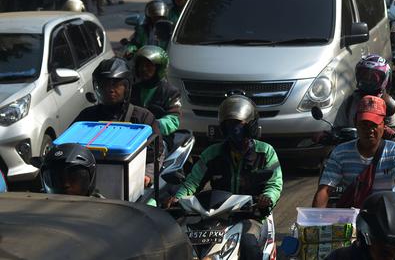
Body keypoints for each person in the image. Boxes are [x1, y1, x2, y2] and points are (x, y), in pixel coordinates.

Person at [165, 94, 283, 260]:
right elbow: (192, 182)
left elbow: (274, 184)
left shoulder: (266, 152)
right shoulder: (212, 153)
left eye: (238, 124)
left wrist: (267, 198)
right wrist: (178, 198)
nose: (234, 128)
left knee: (249, 245)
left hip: (251, 215)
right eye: (229, 124)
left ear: (250, 126)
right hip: (215, 215)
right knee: (180, 242)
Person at [72, 58, 163, 187]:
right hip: (90, 182)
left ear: (127, 87)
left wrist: (147, 175)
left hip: (131, 185)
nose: (110, 89)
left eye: (115, 85)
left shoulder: (143, 117)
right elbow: (68, 146)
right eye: (104, 84)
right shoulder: (87, 116)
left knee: (151, 205)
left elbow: (156, 154)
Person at [312, 95, 395, 208]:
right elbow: (324, 190)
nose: (369, 130)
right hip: (352, 214)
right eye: (364, 124)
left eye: (374, 124)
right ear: (356, 123)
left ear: (384, 125)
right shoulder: (340, 153)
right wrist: (314, 222)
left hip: (387, 213)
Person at [325, 191, 395, 260]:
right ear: (364, 239)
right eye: (381, 246)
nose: (387, 253)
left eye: (394, 248)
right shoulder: (341, 257)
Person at [334, 55, 395, 140]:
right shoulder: (350, 102)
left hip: (380, 151)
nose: (368, 81)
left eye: (374, 77)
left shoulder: (389, 104)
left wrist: (387, 131)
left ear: (385, 79)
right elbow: (337, 128)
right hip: (351, 149)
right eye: (365, 76)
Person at [130, 45, 182, 137]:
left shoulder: (171, 92)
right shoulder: (131, 90)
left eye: (148, 65)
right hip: (132, 135)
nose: (143, 69)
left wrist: (153, 125)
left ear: (159, 68)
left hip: (159, 137)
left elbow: (173, 119)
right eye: (141, 65)